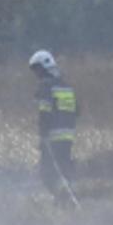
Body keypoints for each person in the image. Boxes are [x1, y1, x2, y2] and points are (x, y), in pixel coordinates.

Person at [29, 50, 80, 206]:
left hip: (52, 137)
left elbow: (45, 113)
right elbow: (77, 110)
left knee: (47, 173)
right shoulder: (67, 86)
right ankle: (65, 200)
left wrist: (43, 136)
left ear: (44, 67)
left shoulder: (45, 87)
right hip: (68, 137)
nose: (36, 74)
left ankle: (63, 200)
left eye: (37, 69)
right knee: (63, 169)